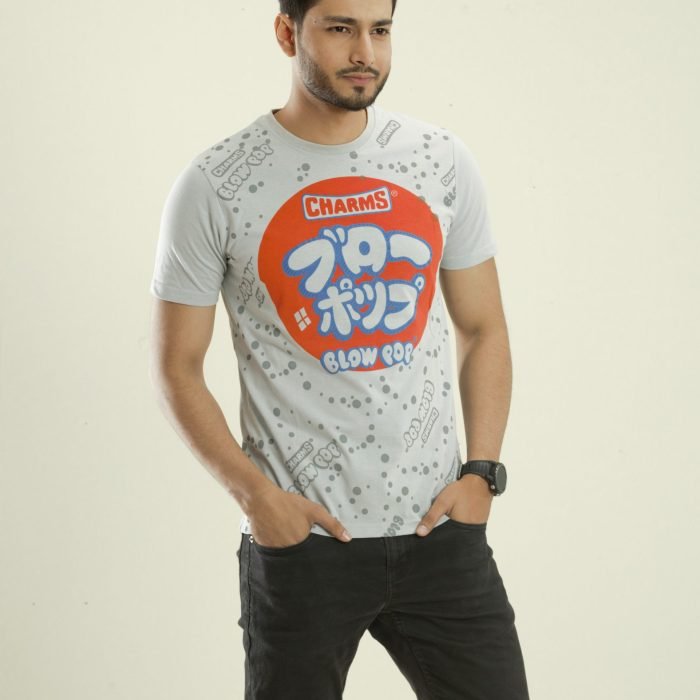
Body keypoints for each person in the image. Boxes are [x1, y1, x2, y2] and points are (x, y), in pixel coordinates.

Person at [149, 0, 530, 697]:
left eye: (380, 30)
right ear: (286, 32)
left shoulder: (438, 159)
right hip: (304, 546)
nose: (365, 53)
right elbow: (176, 368)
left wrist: (482, 474)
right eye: (340, 28)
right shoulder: (216, 183)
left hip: (440, 535)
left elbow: (484, 328)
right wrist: (258, 499)